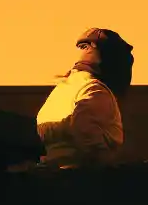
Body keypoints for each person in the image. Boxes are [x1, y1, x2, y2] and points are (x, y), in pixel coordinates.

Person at [36, 29, 133, 167]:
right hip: (83, 175)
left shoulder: (61, 90)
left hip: (55, 171)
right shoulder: (94, 89)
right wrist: (107, 163)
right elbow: (85, 131)